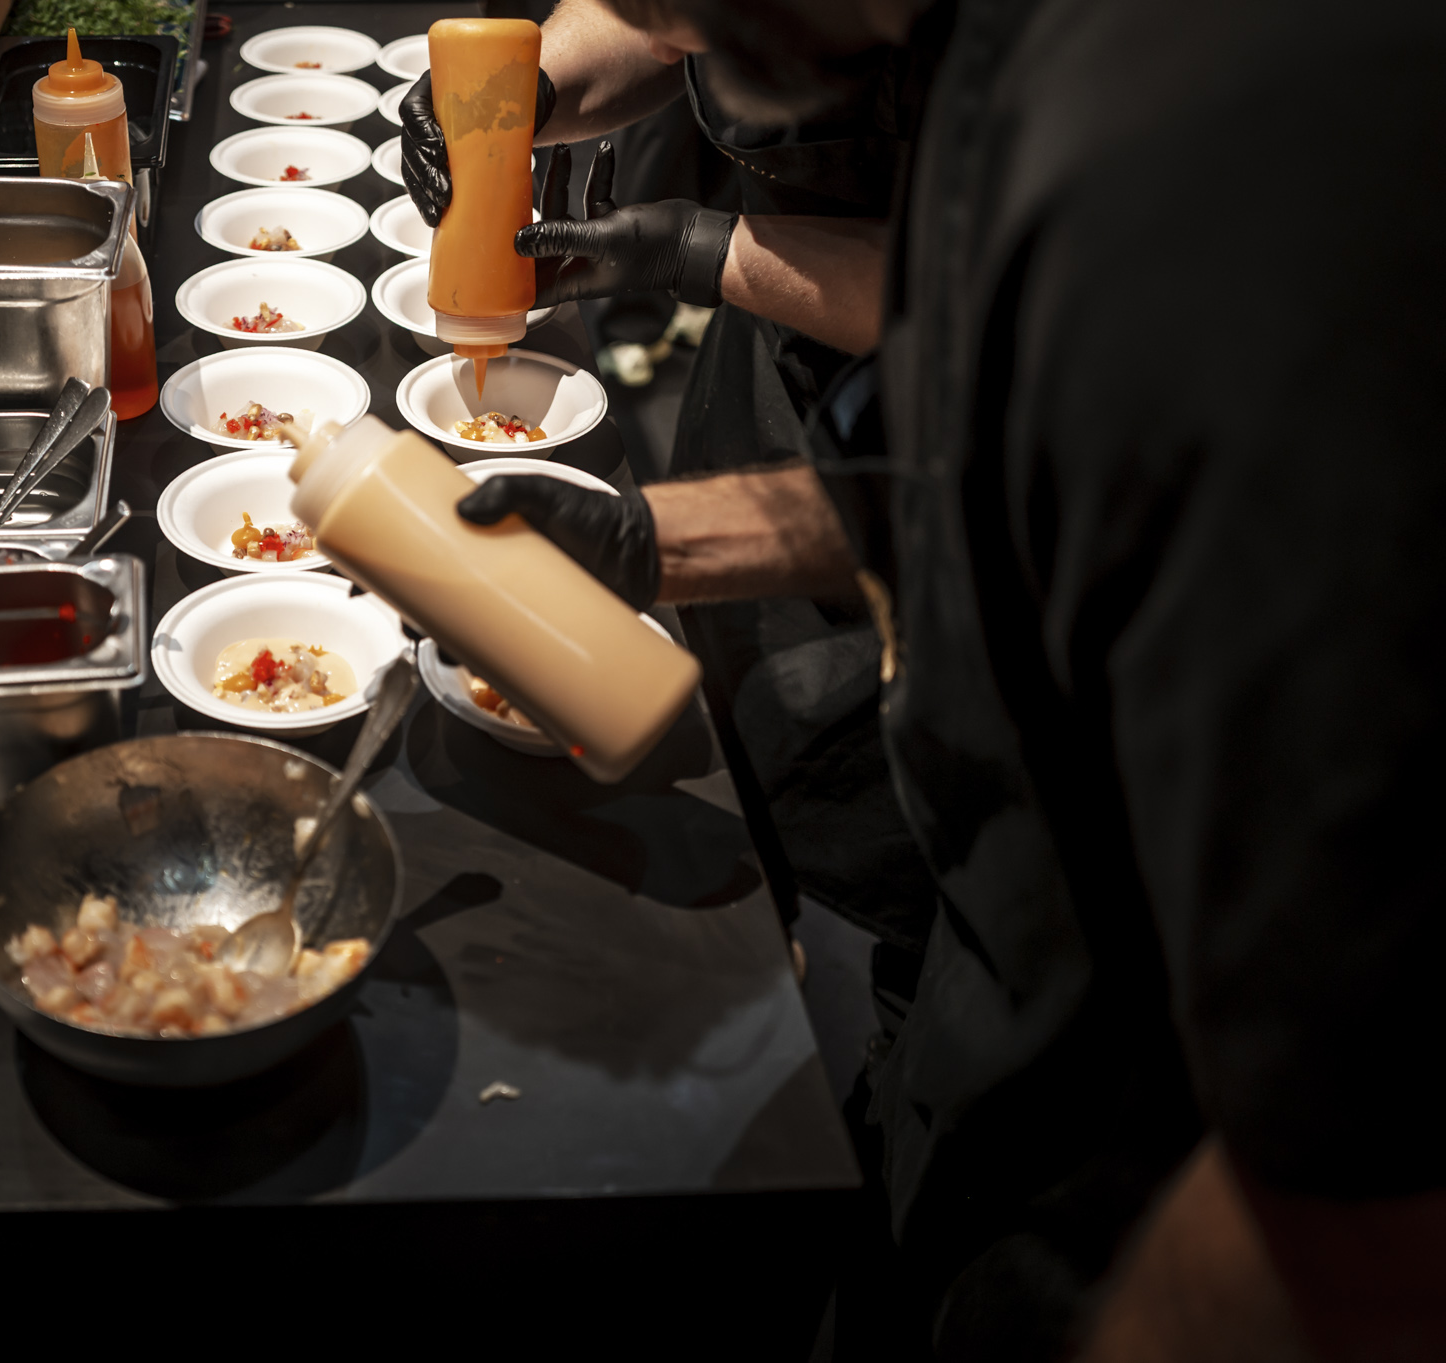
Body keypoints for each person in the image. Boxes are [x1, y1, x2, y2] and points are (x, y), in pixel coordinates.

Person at [433, 0, 1446, 1359]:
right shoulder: (1007, 95)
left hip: (1133, 1113)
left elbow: (1361, 1219)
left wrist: (703, 249)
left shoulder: (1198, 153)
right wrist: (655, 542)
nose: (655, 27)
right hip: (984, 985)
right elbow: (1008, 474)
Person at [404, 0, 948, 991]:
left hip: (960, 454)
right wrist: (531, 89)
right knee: (727, 733)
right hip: (774, 379)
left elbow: (978, 310)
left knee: (892, 862)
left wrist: (706, 251)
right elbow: (643, 26)